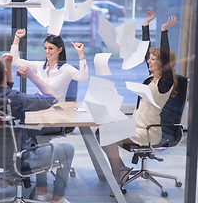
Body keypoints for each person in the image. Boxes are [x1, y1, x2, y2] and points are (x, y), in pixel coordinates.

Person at [99, 11, 178, 194]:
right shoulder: (152, 78)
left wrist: (164, 30)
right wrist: (145, 25)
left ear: (163, 64)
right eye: (149, 59)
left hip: (148, 131)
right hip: (136, 125)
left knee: (106, 134)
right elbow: (145, 51)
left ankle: (117, 176)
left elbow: (165, 57)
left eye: (153, 59)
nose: (149, 61)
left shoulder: (165, 82)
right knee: (101, 131)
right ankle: (122, 170)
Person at [0, 53, 74, 203]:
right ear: (4, 73)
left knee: (35, 140)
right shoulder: (16, 99)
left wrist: (8, 65)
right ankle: (58, 198)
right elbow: (52, 98)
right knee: (68, 149)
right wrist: (31, 75)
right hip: (22, 157)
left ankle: (13, 174)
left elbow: (5, 87)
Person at [10, 28, 88, 101]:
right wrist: (17, 38)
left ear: (59, 50)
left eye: (50, 48)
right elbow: (15, 61)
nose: (47, 51)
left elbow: (83, 77)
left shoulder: (66, 69)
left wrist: (80, 54)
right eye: (45, 48)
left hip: (57, 109)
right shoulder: (40, 66)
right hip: (40, 107)